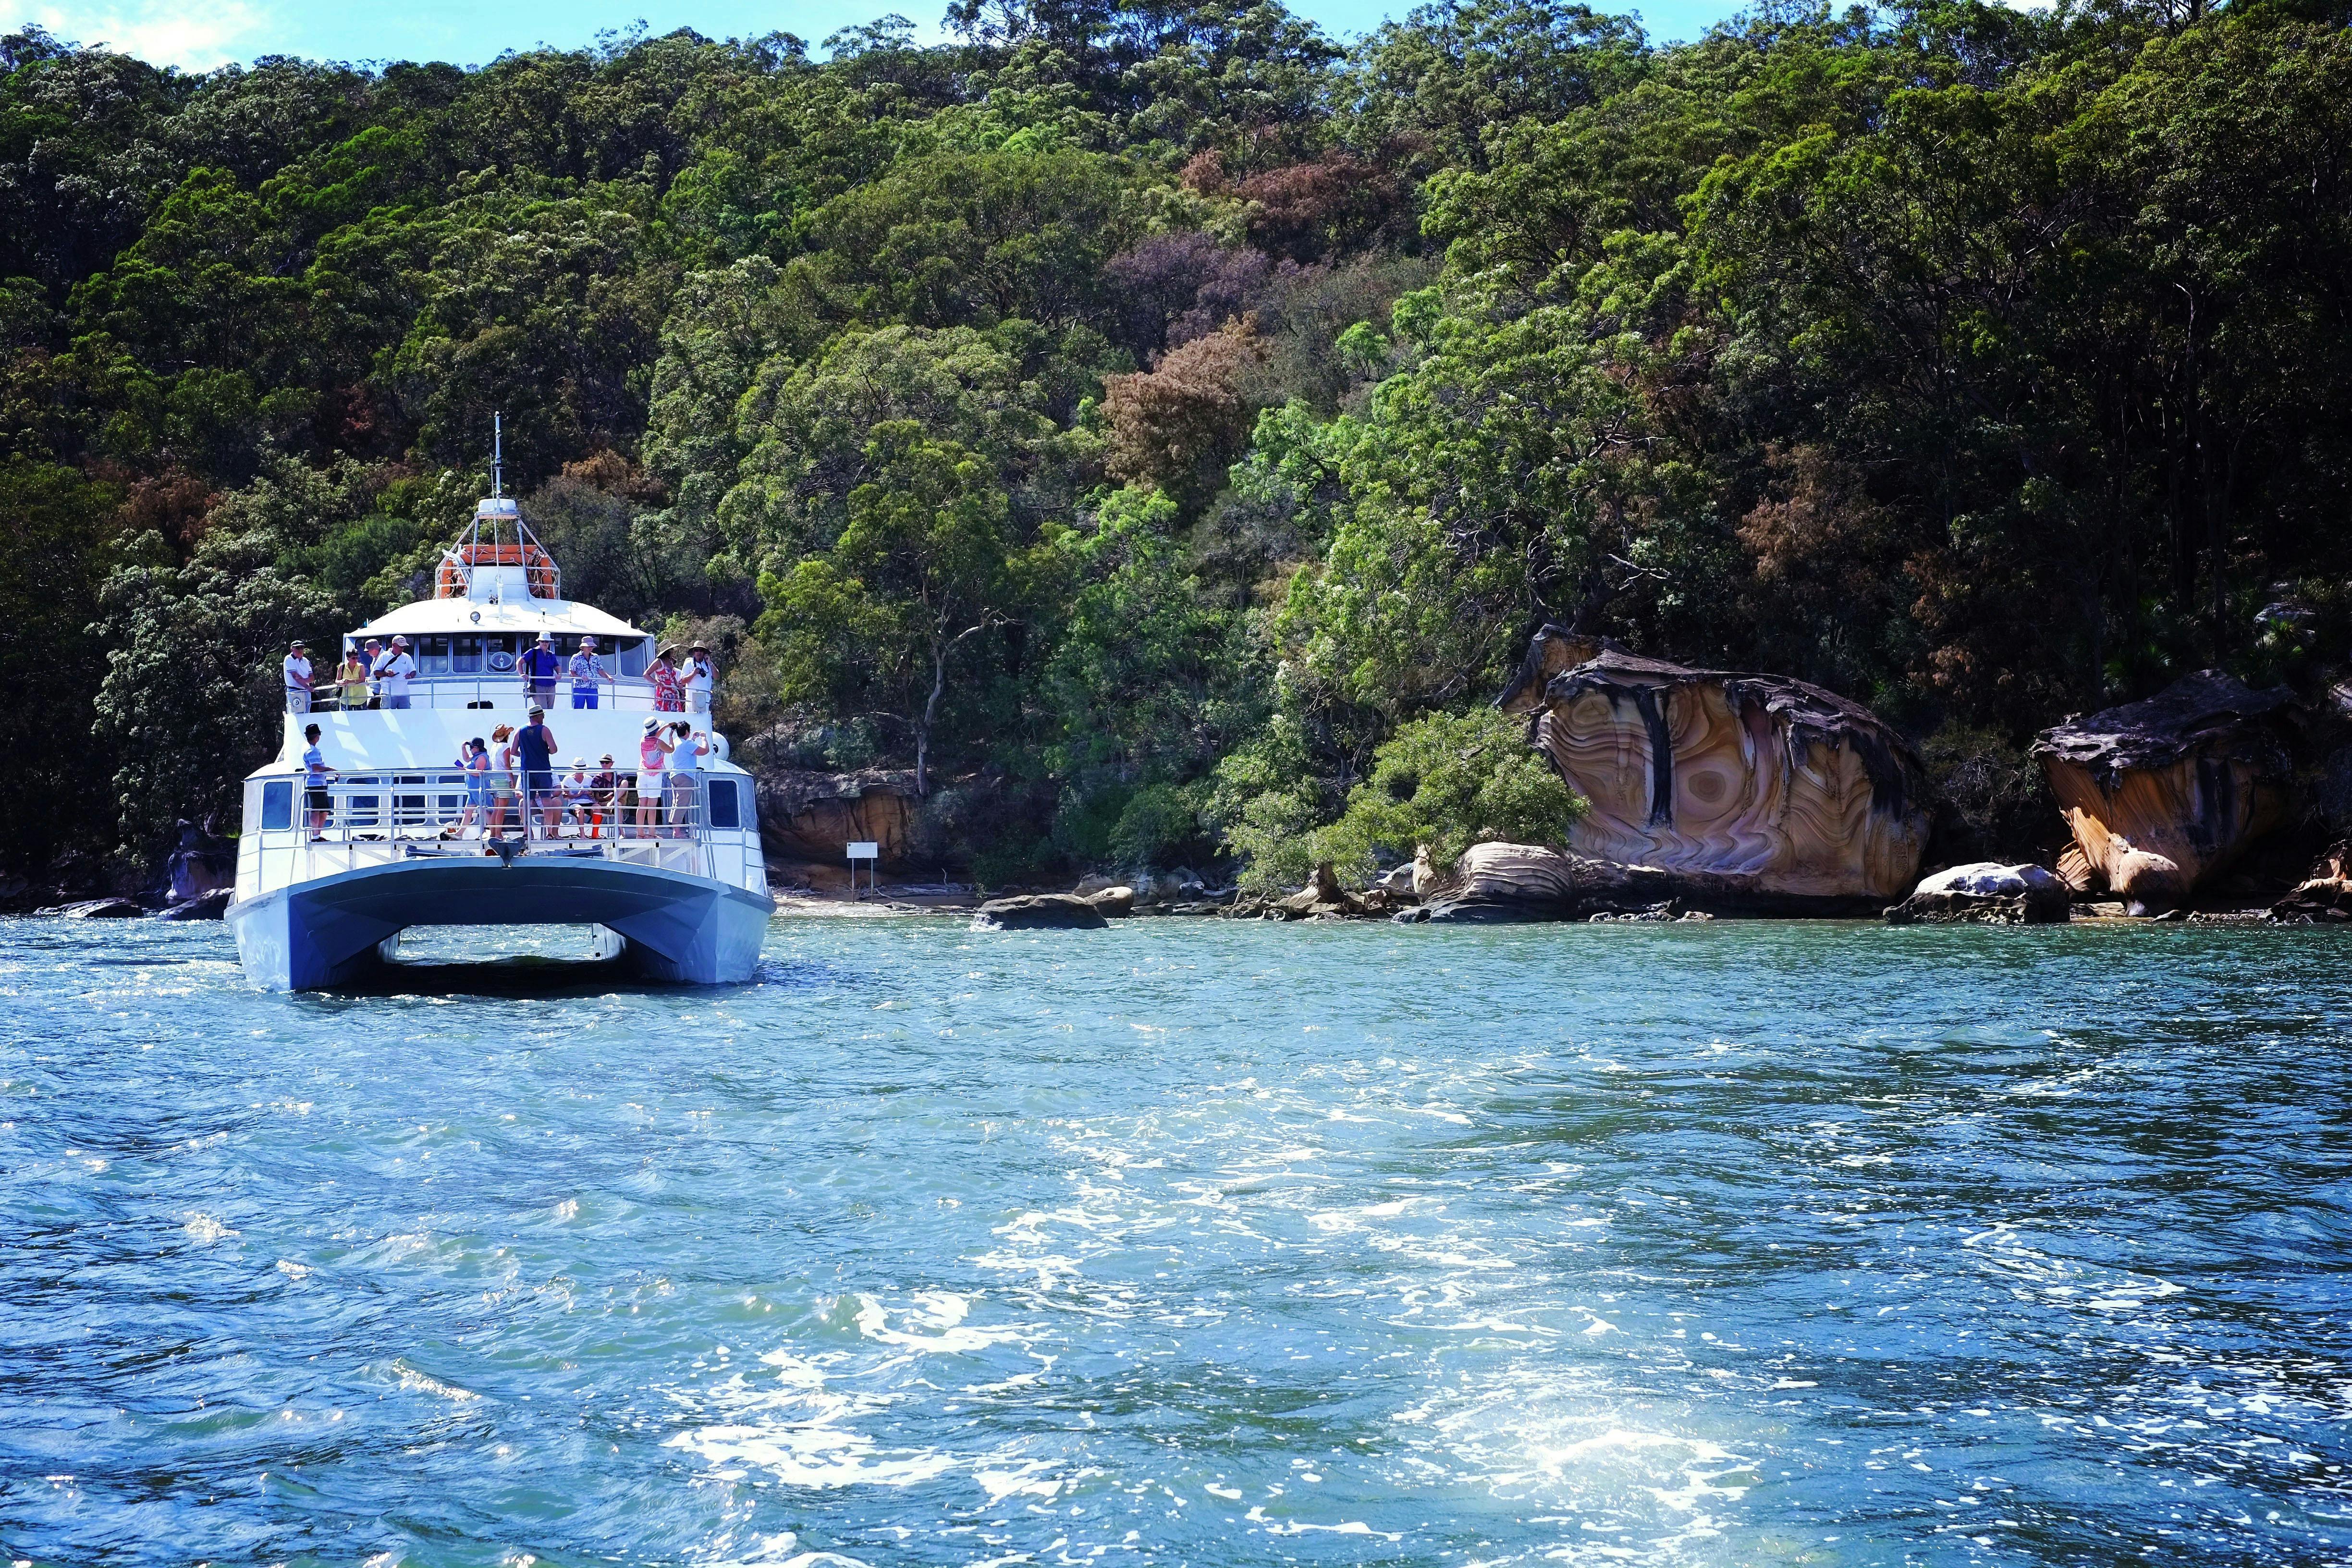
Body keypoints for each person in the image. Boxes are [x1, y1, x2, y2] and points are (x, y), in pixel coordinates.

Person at [514, 704, 559, 838]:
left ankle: (527, 833)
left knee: (527, 803)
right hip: (543, 771)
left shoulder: (520, 730)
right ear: (538, 716)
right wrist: (543, 751)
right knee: (547, 802)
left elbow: (513, 751)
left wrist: (525, 755)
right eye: (543, 715)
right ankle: (550, 833)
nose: (544, 717)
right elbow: (554, 750)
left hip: (527, 772)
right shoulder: (544, 730)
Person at [666, 721, 705, 834]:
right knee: (682, 803)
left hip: (675, 775)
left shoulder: (676, 741)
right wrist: (704, 738)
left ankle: (674, 827)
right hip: (685, 777)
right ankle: (677, 832)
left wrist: (693, 739)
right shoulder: (688, 745)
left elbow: (686, 749)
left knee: (676, 802)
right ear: (687, 731)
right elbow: (705, 751)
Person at [301, 723, 336, 839]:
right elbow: (316, 768)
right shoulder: (312, 751)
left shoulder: (307, 748)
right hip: (316, 784)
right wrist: (329, 769)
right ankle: (315, 836)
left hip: (318, 783)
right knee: (316, 810)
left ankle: (318, 835)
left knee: (324, 810)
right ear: (317, 737)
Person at [636, 716, 669, 835]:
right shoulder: (659, 743)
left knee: (642, 805)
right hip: (654, 776)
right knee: (652, 807)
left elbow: (655, 737)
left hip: (642, 774)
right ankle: (652, 834)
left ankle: (640, 834)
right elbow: (670, 750)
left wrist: (666, 727)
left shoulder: (643, 740)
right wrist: (671, 737)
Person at [487, 723, 517, 837]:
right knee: (502, 808)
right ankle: (498, 834)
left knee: (497, 808)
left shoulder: (493, 747)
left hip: (494, 778)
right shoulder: (505, 747)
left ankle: (493, 834)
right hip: (503, 778)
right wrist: (512, 779)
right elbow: (507, 765)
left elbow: (493, 764)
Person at [568, 634, 614, 710]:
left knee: (593, 710)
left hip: (593, 687)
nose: (591, 648)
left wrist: (608, 677)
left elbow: (600, 671)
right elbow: (572, 673)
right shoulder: (575, 657)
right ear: (583, 647)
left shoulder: (596, 657)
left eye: (592, 646)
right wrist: (581, 677)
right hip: (580, 687)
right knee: (578, 710)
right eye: (589, 646)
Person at [518, 632, 562, 710]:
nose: (545, 643)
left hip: (551, 685)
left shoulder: (551, 654)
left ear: (549, 643)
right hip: (538, 685)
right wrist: (522, 674)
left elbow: (557, 666)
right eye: (543, 641)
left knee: (550, 710)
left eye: (547, 642)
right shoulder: (533, 652)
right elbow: (519, 662)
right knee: (543, 709)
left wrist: (559, 674)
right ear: (539, 642)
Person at [373, 634, 417, 710]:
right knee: (387, 716)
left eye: (404, 647)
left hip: (404, 694)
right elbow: (376, 672)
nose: (402, 649)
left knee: (406, 715)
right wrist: (387, 674)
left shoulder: (407, 657)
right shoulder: (384, 656)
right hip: (387, 693)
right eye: (401, 647)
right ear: (394, 645)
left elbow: (413, 671)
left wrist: (410, 676)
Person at [590, 753, 621, 839]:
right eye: (602, 762)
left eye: (607, 762)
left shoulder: (618, 777)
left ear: (612, 764)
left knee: (618, 804)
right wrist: (606, 798)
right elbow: (597, 798)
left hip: (616, 802)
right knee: (618, 805)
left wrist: (613, 798)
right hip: (603, 804)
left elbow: (622, 790)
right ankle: (621, 833)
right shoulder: (597, 779)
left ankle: (621, 833)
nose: (604, 764)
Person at [649, 642, 684, 713]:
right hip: (663, 692)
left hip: (673, 692)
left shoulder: (670, 661)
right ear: (667, 651)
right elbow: (646, 674)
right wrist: (657, 683)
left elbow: (672, 676)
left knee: (674, 714)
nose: (673, 651)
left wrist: (678, 685)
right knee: (662, 712)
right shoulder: (658, 662)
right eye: (672, 649)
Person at [335, 645, 371, 710]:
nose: (356, 660)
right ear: (348, 658)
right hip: (346, 699)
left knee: (362, 716)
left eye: (357, 658)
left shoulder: (361, 667)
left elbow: (362, 680)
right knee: (346, 717)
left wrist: (349, 682)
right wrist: (342, 682)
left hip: (360, 699)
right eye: (353, 658)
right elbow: (337, 681)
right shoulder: (342, 667)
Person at [282, 640, 313, 713]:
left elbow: (312, 678)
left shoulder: (306, 661)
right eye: (298, 648)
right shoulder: (289, 659)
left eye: (302, 648)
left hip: (306, 692)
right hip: (295, 691)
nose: (300, 650)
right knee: (297, 715)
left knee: (307, 715)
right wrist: (307, 686)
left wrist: (303, 680)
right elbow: (295, 676)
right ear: (292, 649)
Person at [684, 643, 715, 713]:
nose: (699, 652)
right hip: (692, 699)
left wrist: (710, 662)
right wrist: (694, 673)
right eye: (697, 650)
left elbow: (717, 677)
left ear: (704, 652)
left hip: (705, 699)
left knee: (703, 718)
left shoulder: (708, 664)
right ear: (694, 652)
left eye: (701, 650)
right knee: (692, 719)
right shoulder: (689, 663)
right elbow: (683, 681)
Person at [359, 639, 385, 708]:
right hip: (376, 690)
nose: (367, 653)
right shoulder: (375, 657)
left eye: (368, 651)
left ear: (374, 650)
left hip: (381, 691)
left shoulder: (384, 657)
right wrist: (369, 680)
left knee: (371, 709)